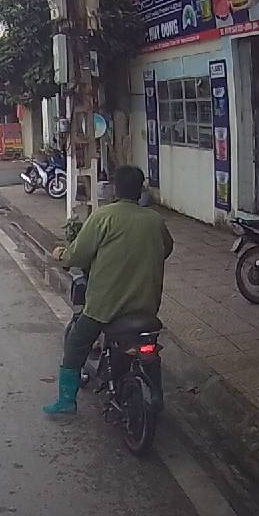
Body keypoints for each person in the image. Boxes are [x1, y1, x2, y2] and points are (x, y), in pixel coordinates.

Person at [44, 165, 173, 415]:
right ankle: (157, 398)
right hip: (146, 307)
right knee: (151, 352)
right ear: (140, 190)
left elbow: (78, 255)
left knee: (76, 343)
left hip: (105, 307)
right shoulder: (155, 220)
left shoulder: (104, 217)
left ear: (115, 189)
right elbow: (166, 249)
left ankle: (66, 401)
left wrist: (62, 255)